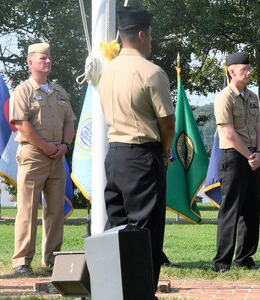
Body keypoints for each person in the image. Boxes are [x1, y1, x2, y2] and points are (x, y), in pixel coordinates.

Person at [97, 6, 175, 297]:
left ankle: (115, 290)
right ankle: (142, 292)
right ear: (141, 35)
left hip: (114, 155)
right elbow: (167, 123)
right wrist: (165, 153)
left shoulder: (107, 72)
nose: (151, 41)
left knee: (116, 229)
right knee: (145, 233)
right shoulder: (152, 72)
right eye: (150, 35)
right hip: (143, 155)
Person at [9, 42, 75, 274]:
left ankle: (53, 258)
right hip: (33, 156)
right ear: (30, 63)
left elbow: (69, 121)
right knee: (27, 209)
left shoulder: (59, 91)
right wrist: (46, 146)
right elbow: (21, 124)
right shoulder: (23, 91)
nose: (47, 62)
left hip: (57, 157)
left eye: (49, 58)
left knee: (56, 210)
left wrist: (65, 146)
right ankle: (22, 260)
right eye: (42, 58)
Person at [212, 51, 260, 273]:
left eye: (250, 68)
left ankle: (245, 257)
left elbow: (257, 129)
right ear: (232, 72)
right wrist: (249, 156)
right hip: (234, 157)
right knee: (231, 209)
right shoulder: (224, 97)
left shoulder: (253, 97)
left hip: (253, 157)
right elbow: (229, 133)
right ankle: (222, 261)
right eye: (245, 69)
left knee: (251, 209)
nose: (250, 72)